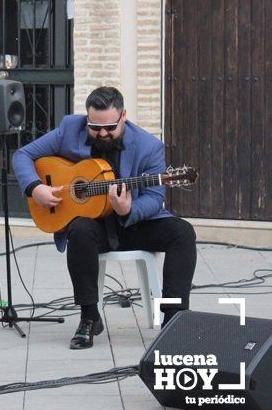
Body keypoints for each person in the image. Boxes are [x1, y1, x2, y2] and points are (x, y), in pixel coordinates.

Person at [12, 86, 196, 350]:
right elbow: (23, 155)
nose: (102, 134)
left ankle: (173, 320)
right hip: (92, 226)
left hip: (133, 225)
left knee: (183, 232)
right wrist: (35, 187)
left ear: (123, 116)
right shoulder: (69, 128)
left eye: (109, 127)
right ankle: (89, 317)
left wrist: (128, 210)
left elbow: (155, 199)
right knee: (79, 231)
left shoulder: (149, 146)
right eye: (94, 127)